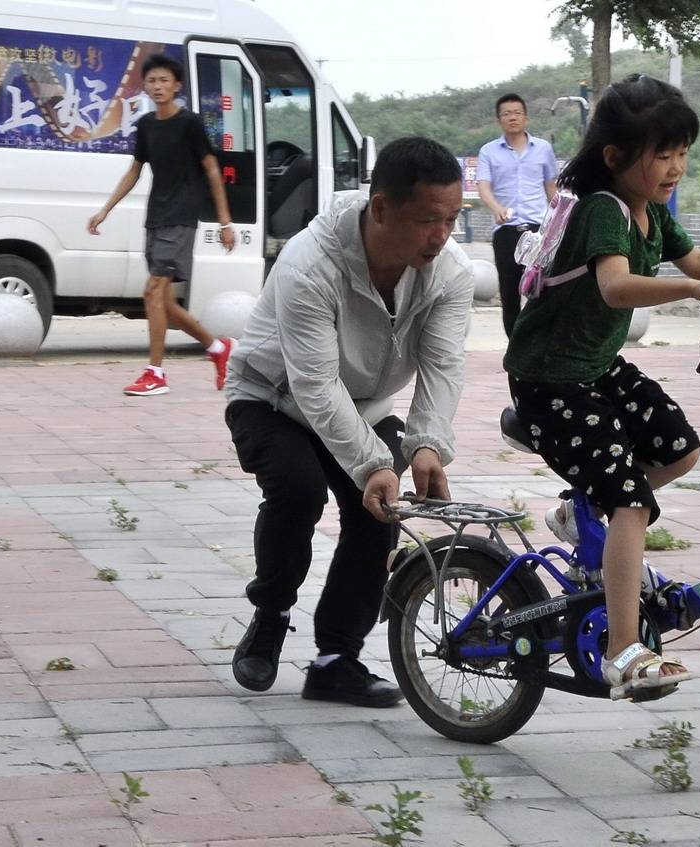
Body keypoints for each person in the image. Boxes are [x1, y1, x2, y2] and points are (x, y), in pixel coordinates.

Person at [503, 75, 700, 702]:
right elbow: (616, 287)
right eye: (662, 155)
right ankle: (622, 650)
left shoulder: (651, 213)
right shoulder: (603, 213)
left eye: (682, 153)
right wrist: (697, 294)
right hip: (549, 379)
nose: (675, 167)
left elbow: (697, 261)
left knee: (680, 449)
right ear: (616, 157)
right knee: (631, 500)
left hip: (592, 368)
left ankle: (583, 509)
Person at [223, 136, 472, 706]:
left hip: (365, 406)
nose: (442, 235)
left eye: (453, 219)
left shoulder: (449, 272)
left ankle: (336, 660)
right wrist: (372, 462)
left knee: (377, 514)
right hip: (271, 396)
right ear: (380, 209)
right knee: (299, 489)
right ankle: (271, 612)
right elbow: (312, 383)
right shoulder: (309, 263)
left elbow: (442, 363)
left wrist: (428, 443)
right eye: (428, 220)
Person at [87, 52, 236, 397]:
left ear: (177, 85)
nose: (157, 86)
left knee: (153, 291)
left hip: (181, 218)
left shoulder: (191, 124)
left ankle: (156, 373)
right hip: (156, 218)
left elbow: (212, 169)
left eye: (164, 80)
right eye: (151, 81)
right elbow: (134, 170)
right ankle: (218, 349)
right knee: (162, 301)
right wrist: (105, 210)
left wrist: (225, 221)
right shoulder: (147, 125)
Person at [477, 93, 559, 337]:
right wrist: (496, 209)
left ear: (526, 118)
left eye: (517, 113)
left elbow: (551, 187)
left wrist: (557, 222)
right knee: (509, 292)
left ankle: (540, 342)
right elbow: (483, 186)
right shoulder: (488, 151)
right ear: (499, 120)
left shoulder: (543, 149)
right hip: (506, 230)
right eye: (506, 114)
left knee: (543, 288)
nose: (512, 117)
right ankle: (515, 347)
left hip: (539, 230)